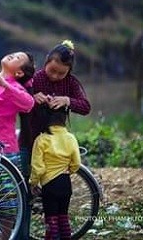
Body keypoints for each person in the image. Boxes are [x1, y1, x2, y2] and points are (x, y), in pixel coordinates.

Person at [18, 40, 91, 239]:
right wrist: (32, 97)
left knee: (55, 193)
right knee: (26, 189)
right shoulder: (34, 80)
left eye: (61, 73)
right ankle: (22, 233)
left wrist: (68, 100)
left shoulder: (71, 83)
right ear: (46, 63)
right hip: (30, 139)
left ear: (69, 71)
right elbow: (17, 97)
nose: (56, 76)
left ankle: (54, 229)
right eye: (52, 70)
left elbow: (85, 106)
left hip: (54, 146)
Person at [29, 107, 81, 240]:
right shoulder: (71, 138)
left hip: (50, 186)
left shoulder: (41, 140)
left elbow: (38, 168)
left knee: (51, 220)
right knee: (63, 217)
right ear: (64, 119)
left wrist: (33, 183)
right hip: (66, 184)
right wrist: (70, 170)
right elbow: (76, 163)